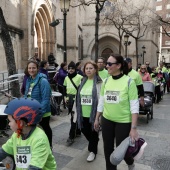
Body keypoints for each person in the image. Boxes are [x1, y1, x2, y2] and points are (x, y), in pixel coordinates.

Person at [94, 54, 139, 170]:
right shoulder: (106, 81)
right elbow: (102, 101)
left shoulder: (129, 82)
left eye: (109, 64)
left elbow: (134, 106)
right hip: (107, 120)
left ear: (118, 65)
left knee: (121, 150)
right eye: (106, 63)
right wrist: (97, 118)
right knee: (107, 149)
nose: (106, 66)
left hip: (123, 121)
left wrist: (133, 128)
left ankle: (130, 161)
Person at [0, 98, 57, 170]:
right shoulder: (17, 135)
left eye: (10, 121)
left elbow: (34, 168)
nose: (9, 124)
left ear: (20, 123)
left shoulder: (39, 140)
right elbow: (3, 151)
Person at [73, 61, 102, 162]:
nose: (88, 70)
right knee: (84, 130)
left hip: (94, 114)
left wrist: (99, 116)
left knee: (93, 133)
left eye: (91, 68)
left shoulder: (99, 82)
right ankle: (94, 142)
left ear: (95, 70)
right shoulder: (82, 81)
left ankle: (92, 151)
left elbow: (101, 99)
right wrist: (74, 110)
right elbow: (78, 97)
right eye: (86, 68)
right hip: (82, 113)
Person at [24, 60, 53, 148]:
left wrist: (40, 113)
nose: (31, 70)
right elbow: (27, 95)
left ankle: (49, 146)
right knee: (33, 130)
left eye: (33, 68)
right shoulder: (29, 80)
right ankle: (37, 147)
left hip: (42, 112)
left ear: (37, 69)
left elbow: (45, 98)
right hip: (31, 111)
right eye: (29, 68)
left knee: (45, 128)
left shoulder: (43, 81)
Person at [63, 61, 83, 144]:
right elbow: (64, 87)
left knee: (73, 117)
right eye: (69, 68)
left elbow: (82, 88)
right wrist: (65, 97)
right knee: (73, 115)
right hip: (69, 99)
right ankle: (78, 131)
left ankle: (71, 136)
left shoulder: (80, 77)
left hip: (77, 99)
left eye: (72, 68)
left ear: (75, 69)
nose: (70, 70)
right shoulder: (66, 78)